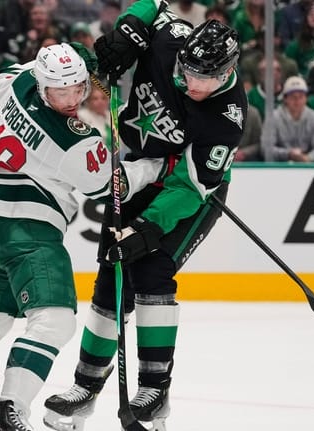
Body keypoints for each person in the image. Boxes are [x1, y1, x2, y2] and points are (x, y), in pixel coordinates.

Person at [0, 42, 165, 431]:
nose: (71, 99)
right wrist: (152, 168)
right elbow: (109, 187)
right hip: (29, 228)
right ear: (43, 85)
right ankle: (9, 411)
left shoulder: (16, 84)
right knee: (54, 323)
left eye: (78, 88)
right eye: (60, 91)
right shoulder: (75, 140)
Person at [43, 4, 247, 431]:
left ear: (227, 72)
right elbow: (153, 6)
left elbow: (192, 187)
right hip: (137, 168)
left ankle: (155, 390)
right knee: (109, 278)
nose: (192, 83)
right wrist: (128, 32)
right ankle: (85, 388)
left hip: (189, 191)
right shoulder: (174, 41)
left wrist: (148, 228)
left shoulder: (226, 118)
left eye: (204, 78)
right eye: (188, 71)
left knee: (151, 269)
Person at [261, 75, 314, 162]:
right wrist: (288, 154)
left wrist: (307, 158)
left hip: (308, 166)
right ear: (285, 99)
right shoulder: (273, 117)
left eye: (301, 96)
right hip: (280, 166)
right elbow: (266, 148)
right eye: (293, 97)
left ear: (306, 98)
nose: (297, 101)